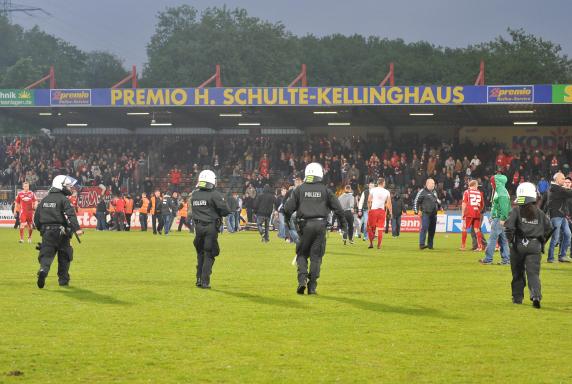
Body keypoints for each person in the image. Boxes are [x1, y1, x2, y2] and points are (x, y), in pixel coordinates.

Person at [284, 162, 347, 295]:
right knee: (316, 257)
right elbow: (339, 209)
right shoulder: (326, 190)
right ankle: (312, 287)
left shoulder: (299, 190)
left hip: (304, 226)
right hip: (320, 226)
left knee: (301, 254)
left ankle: (301, 281)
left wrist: (289, 224)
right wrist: (343, 224)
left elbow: (287, 209)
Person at [504, 182, 553, 308]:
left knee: (517, 273)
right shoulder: (540, 213)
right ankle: (536, 296)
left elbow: (509, 227)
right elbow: (549, 229)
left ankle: (517, 298)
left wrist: (510, 241)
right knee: (533, 274)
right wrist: (541, 241)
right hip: (535, 246)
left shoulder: (516, 210)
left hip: (518, 246)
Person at [34, 175, 83, 289]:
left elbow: (36, 218)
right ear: (60, 185)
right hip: (62, 232)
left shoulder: (44, 200)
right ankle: (63, 280)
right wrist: (77, 229)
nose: (70, 188)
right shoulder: (64, 199)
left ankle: (43, 271)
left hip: (47, 233)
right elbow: (70, 215)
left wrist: (42, 230)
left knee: (46, 255)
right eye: (68, 186)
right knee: (65, 256)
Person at [190, 170, 230, 289]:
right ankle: (205, 281)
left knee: (200, 253)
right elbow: (225, 210)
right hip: (210, 228)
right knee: (210, 253)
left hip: (198, 228)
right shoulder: (214, 194)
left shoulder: (195, 194)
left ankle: (198, 278)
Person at [480, 174, 511, 265]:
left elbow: (504, 207)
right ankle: (506, 260)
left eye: (492, 181)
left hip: (499, 219)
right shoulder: (501, 191)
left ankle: (488, 259)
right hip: (499, 218)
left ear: (496, 182)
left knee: (492, 239)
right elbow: (497, 206)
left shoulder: (501, 192)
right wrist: (492, 215)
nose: (491, 183)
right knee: (503, 240)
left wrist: (502, 218)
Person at [546, 172, 572, 263]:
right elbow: (568, 193)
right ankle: (550, 258)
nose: (564, 180)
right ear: (556, 179)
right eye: (563, 178)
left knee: (568, 235)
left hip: (562, 215)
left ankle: (562, 256)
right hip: (556, 216)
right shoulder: (555, 188)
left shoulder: (557, 188)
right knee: (555, 238)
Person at [414, 178, 441, 250]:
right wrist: (416, 212)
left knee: (432, 230)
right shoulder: (422, 191)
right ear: (427, 184)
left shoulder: (435, 192)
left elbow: (437, 201)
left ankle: (430, 245)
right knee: (424, 228)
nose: (433, 184)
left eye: (434, 183)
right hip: (426, 213)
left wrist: (439, 206)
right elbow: (416, 201)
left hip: (434, 214)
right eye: (432, 183)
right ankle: (421, 244)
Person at [367, 178, 392, 249]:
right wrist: (390, 212)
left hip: (373, 211)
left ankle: (371, 243)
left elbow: (369, 200)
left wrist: (369, 209)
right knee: (380, 228)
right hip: (381, 211)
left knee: (370, 227)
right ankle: (379, 245)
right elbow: (389, 203)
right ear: (383, 183)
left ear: (378, 183)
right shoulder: (387, 192)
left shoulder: (373, 190)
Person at [460, 180, 484, 251]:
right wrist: (478, 210)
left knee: (464, 228)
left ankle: (463, 246)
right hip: (477, 213)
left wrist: (463, 214)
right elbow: (482, 205)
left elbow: (464, 204)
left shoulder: (467, 192)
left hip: (469, 213)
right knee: (476, 229)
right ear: (474, 185)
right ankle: (480, 246)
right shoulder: (479, 193)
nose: (477, 187)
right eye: (477, 185)